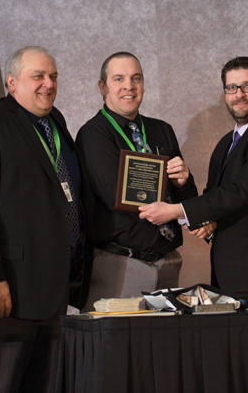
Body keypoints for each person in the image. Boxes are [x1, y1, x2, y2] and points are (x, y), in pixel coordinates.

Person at [0, 46, 91, 391]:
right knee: (0, 384)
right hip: (8, 293)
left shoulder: (54, 121)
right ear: (11, 82)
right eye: (38, 76)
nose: (48, 84)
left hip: (54, 288)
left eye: (53, 76)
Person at [140, 56, 248, 295]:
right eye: (231, 88)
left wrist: (176, 210)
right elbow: (215, 195)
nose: (239, 94)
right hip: (232, 268)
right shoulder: (225, 143)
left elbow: (241, 192)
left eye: (247, 86)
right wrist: (209, 222)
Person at [76, 52, 197, 311]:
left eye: (136, 78)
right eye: (118, 78)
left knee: (163, 348)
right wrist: (168, 194)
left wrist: (182, 181)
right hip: (120, 262)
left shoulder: (162, 129)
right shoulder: (93, 134)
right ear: (102, 86)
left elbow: (189, 197)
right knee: (118, 347)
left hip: (167, 262)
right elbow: (116, 195)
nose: (128, 86)